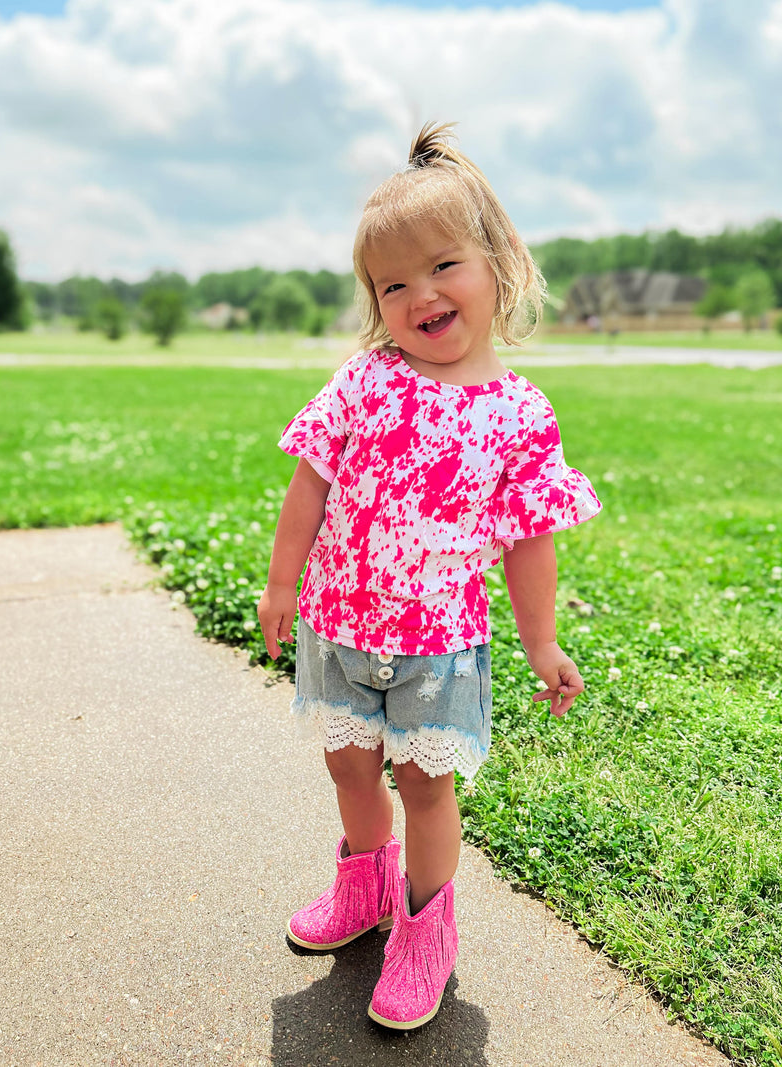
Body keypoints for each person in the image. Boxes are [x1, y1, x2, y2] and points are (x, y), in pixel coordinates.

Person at [257, 122, 601, 1031]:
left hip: (439, 647)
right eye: (393, 283)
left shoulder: (519, 413)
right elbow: (310, 481)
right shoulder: (368, 380)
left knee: (427, 787)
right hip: (339, 624)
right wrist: (281, 583)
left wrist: (541, 641)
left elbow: (530, 541)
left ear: (495, 261)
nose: (421, 294)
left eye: (442, 266)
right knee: (348, 764)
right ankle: (362, 887)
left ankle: (423, 927)